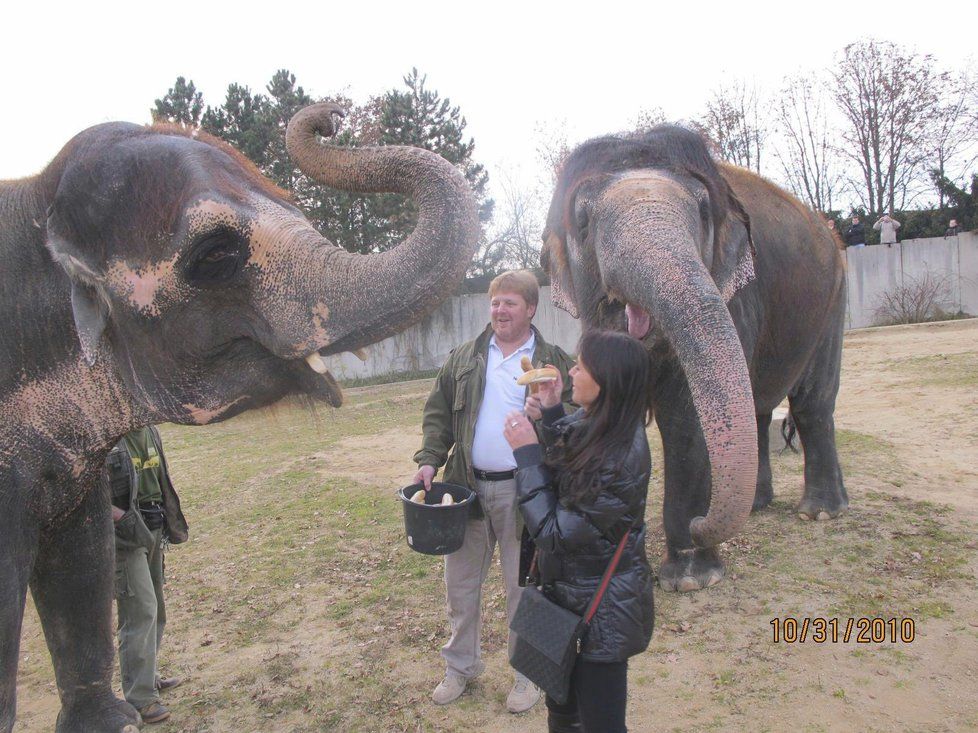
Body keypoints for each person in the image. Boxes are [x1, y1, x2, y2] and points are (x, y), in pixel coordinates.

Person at [412, 270, 575, 712]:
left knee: (528, 588)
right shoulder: (465, 358)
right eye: (495, 303)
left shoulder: (553, 361)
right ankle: (460, 667)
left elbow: (579, 425)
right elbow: (438, 413)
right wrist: (429, 457)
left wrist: (553, 409)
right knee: (460, 586)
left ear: (531, 309)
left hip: (528, 494)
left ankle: (530, 675)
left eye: (510, 303)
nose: (500, 311)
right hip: (466, 488)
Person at [503, 330, 655, 733]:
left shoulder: (621, 457)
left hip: (600, 614)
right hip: (566, 599)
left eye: (581, 366)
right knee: (562, 712)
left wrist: (526, 456)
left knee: (601, 723)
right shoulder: (602, 425)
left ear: (607, 381)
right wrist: (553, 413)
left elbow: (554, 532)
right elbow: (574, 462)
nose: (571, 371)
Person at [106, 425, 188, 725]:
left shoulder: (150, 431)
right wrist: (121, 518)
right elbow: (88, 487)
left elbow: (160, 479)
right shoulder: (109, 434)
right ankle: (140, 698)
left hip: (153, 526)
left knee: (157, 608)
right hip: (126, 535)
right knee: (140, 610)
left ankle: (149, 677)